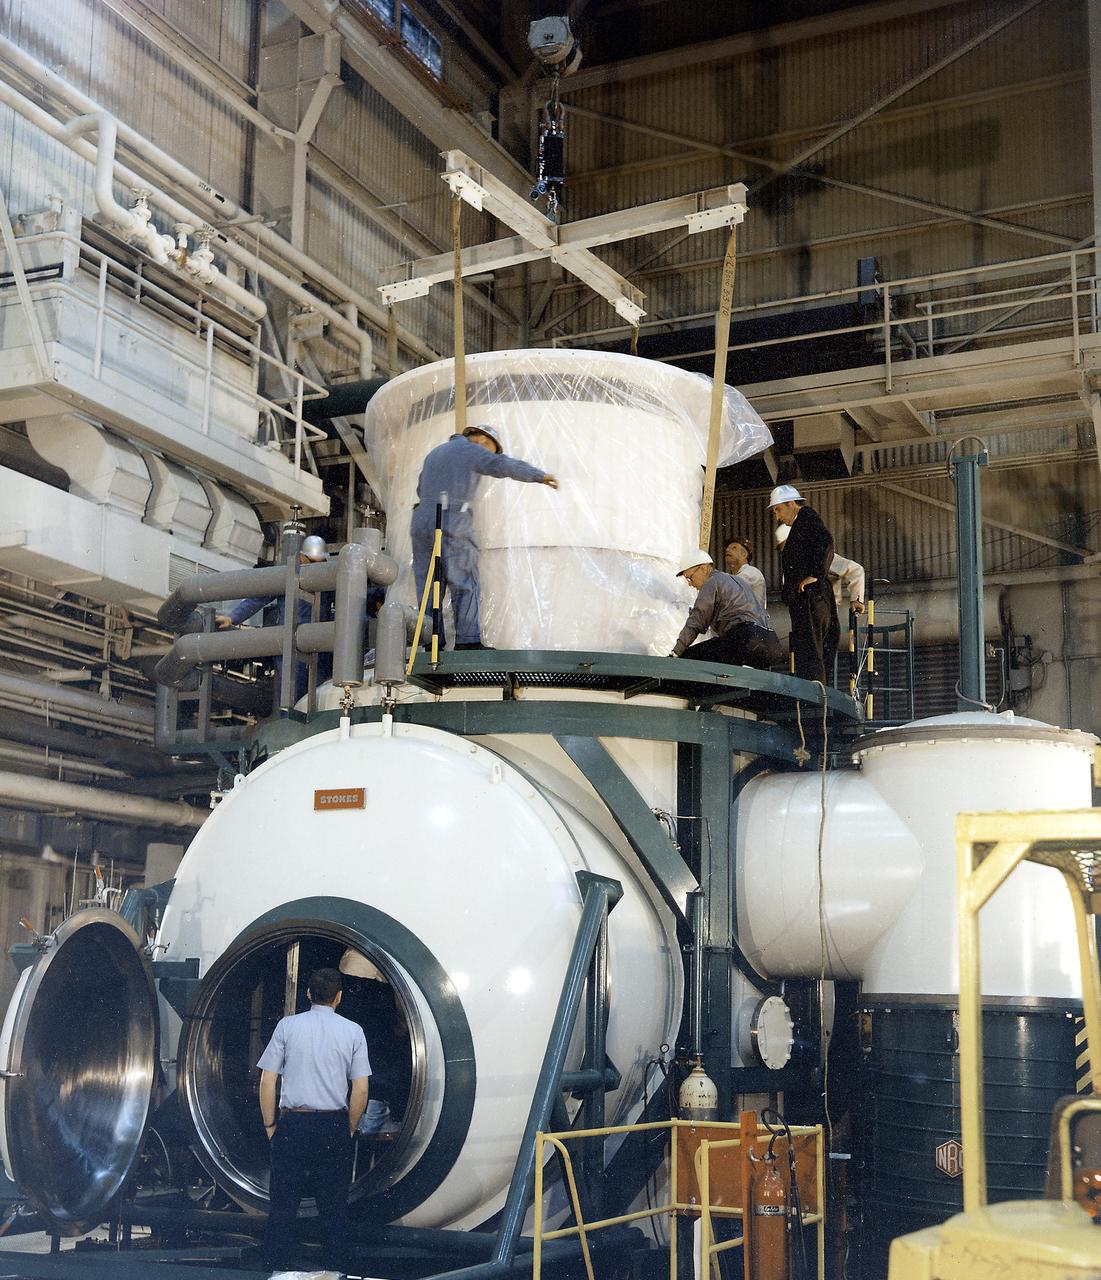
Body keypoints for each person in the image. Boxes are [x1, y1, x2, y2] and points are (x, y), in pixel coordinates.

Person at [257, 966, 370, 1276]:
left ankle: (276, 1271)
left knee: (282, 1206)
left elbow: (268, 1081)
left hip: (293, 1124)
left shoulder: (286, 1027)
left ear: (308, 994)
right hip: (333, 1125)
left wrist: (271, 1127)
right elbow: (360, 1088)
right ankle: (336, 1271)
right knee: (334, 1208)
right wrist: (348, 1126)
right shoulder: (353, 1031)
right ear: (339, 998)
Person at [411, 424, 558, 651]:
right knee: (465, 580)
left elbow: (421, 488)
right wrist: (539, 476)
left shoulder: (435, 453)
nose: (490, 453)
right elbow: (503, 465)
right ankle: (468, 642)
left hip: (422, 519)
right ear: (480, 438)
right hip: (452, 518)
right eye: (491, 447)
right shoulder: (472, 450)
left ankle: (432, 641)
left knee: (429, 584)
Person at [216, 534, 333, 702]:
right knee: (290, 698)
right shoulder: (287, 577)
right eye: (312, 562)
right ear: (301, 557)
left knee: (320, 697)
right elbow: (258, 598)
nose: (316, 566)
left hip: (319, 647)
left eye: (320, 563)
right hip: (291, 645)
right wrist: (232, 618)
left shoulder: (327, 579)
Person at [769, 484, 840, 684]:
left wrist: (816, 574)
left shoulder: (807, 519)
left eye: (778, 509)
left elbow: (826, 541)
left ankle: (813, 695)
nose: (777, 517)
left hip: (810, 598)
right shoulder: (803, 524)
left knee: (810, 648)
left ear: (791, 504)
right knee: (814, 649)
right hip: (811, 598)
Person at [670, 552, 784, 668]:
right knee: (730, 678)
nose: (690, 584)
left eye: (689, 578)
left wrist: (676, 653)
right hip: (770, 643)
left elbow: (697, 620)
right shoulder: (737, 581)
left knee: (689, 661)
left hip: (745, 638)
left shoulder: (712, 582)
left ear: (703, 568)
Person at [775, 523, 866, 615]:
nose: (784, 552)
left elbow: (855, 570)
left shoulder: (819, 557)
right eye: (781, 549)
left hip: (823, 613)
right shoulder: (793, 565)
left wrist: (856, 599)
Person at [723, 536, 767, 611]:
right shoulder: (734, 576)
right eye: (727, 548)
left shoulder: (751, 572)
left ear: (744, 555)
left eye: (734, 548)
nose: (727, 550)